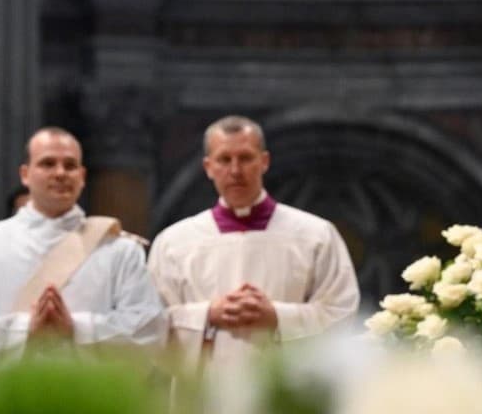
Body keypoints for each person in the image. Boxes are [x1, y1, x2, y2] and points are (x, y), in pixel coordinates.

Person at [0, 127, 166, 388]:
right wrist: (25, 328)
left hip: (91, 395)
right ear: (26, 174)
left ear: (82, 176)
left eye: (70, 165)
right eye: (48, 163)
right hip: (10, 394)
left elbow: (148, 330)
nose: (61, 173)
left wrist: (76, 328)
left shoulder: (120, 250)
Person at [147, 116, 360, 373]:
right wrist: (208, 315)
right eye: (224, 159)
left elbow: (342, 315)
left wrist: (277, 317)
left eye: (246, 158)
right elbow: (148, 326)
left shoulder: (316, 234)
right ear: (208, 166)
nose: (235, 170)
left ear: (264, 161)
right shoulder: (173, 242)